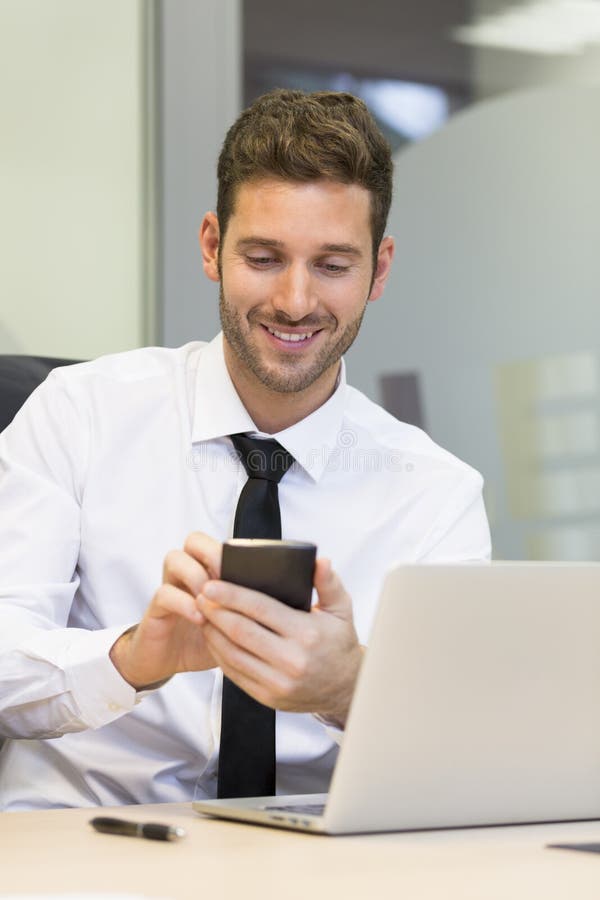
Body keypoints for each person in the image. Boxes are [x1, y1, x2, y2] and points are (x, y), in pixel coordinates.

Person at [0, 90, 491, 810]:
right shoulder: (79, 415)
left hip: (310, 857)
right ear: (212, 246)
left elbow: (469, 752)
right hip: (81, 839)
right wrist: (131, 658)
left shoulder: (436, 495)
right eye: (263, 258)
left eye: (333, 265)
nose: (294, 301)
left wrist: (350, 687)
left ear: (380, 270)